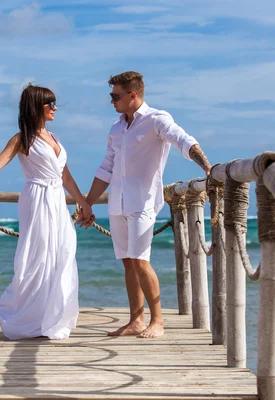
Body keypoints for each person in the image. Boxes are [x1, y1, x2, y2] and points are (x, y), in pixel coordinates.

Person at [0, 84, 91, 340]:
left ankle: (46, 318)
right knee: (36, 260)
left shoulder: (55, 137)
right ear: (36, 106)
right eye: (50, 104)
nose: (55, 108)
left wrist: (83, 203)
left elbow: (65, 175)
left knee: (63, 253)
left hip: (57, 200)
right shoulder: (22, 139)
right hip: (37, 201)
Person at [81, 71, 211, 339]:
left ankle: (158, 321)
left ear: (133, 95)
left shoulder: (156, 120)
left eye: (115, 96)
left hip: (143, 202)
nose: (111, 101)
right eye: (110, 96)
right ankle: (136, 320)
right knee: (128, 262)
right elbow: (106, 168)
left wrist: (208, 168)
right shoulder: (116, 129)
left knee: (141, 261)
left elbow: (182, 140)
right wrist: (87, 203)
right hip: (117, 203)